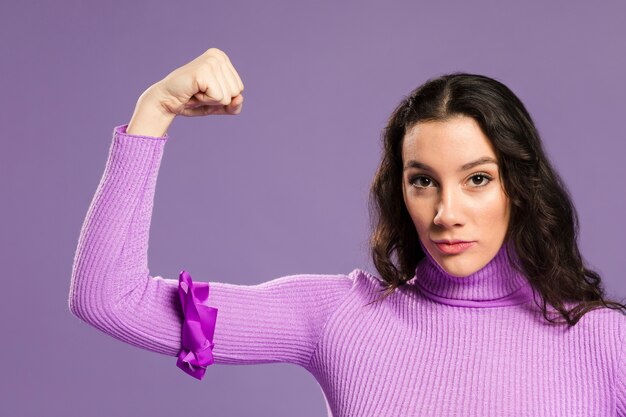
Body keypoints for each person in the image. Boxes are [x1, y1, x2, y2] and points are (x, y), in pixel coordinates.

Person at [68, 47, 626, 416]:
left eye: (477, 179)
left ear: (520, 186)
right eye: (423, 181)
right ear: (399, 191)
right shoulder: (343, 316)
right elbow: (109, 299)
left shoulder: (606, 343)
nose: (446, 212)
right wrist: (154, 109)